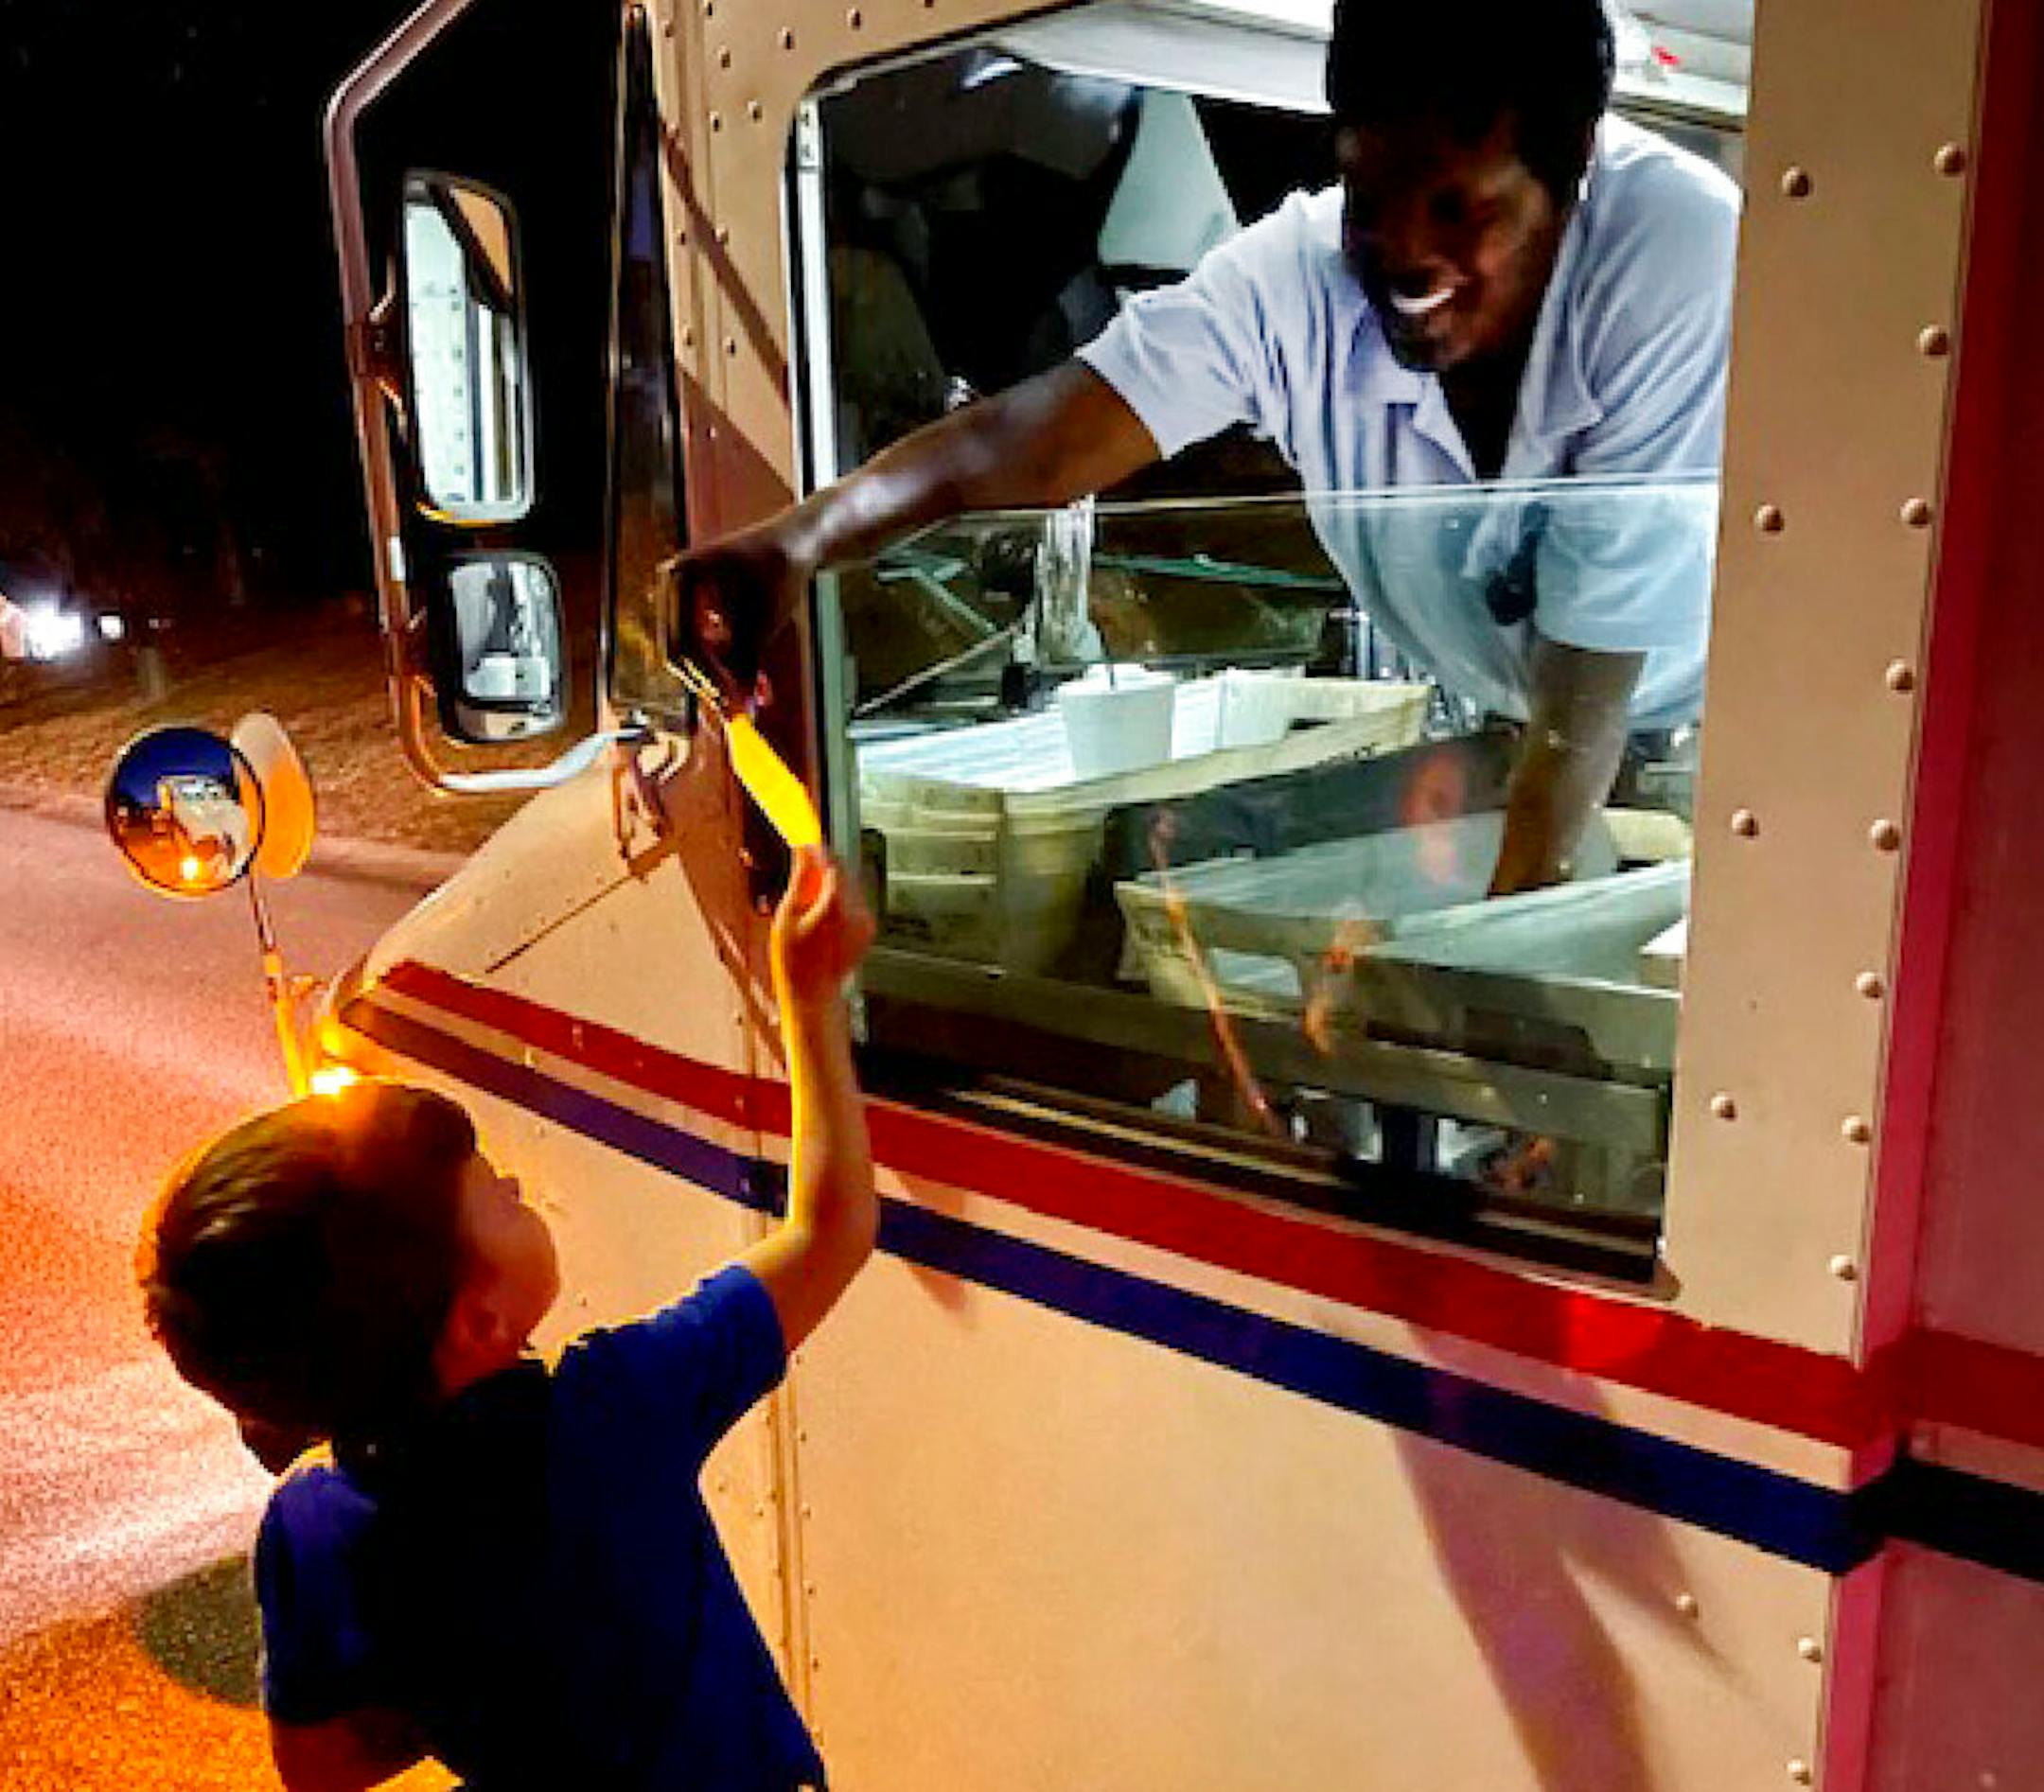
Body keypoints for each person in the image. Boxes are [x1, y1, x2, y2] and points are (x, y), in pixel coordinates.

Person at [680, 0, 1739, 894]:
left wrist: (1515, 1032)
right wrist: (796, 543)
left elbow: (1581, 715)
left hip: (1714, 753)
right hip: (1530, 734)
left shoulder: (1672, 254)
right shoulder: (1303, 272)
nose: (1406, 255)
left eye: (1462, 208)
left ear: (1575, 169)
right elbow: (1038, 440)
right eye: (1374, 199)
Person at [136, 846, 875, 1790]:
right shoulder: (618, 1405)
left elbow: (319, 1766)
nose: (520, 1184)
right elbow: (834, 1227)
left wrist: (481, 1672)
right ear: (479, 1322)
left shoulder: (311, 1526)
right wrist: (809, 997)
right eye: (497, 1195)